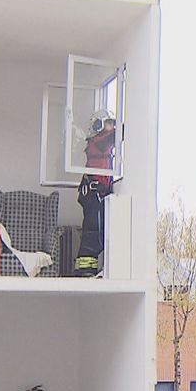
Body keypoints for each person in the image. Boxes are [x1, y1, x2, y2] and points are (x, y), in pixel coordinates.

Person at [74, 109, 116, 277]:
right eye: (109, 123)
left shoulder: (99, 144)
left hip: (97, 195)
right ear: (98, 125)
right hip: (93, 195)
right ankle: (84, 270)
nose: (112, 127)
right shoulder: (98, 142)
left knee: (96, 232)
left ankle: (89, 269)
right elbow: (114, 136)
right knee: (92, 233)